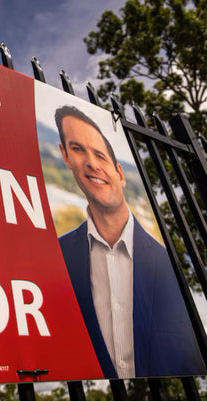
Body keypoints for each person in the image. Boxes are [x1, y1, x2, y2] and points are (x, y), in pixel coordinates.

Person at [55, 105, 205, 378]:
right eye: (77, 149)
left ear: (120, 174)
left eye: (100, 154)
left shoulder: (168, 262)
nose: (92, 163)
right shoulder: (56, 257)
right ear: (65, 155)